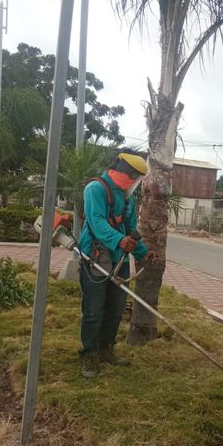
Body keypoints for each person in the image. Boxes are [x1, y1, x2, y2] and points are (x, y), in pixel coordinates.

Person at [78, 149, 154, 379]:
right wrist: (120, 240)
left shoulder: (127, 197)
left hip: (118, 259)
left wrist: (142, 252)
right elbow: (97, 222)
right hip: (96, 256)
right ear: (123, 172)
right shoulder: (96, 189)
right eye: (134, 178)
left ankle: (106, 350)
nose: (135, 183)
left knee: (115, 309)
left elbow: (130, 230)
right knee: (94, 310)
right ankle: (89, 354)